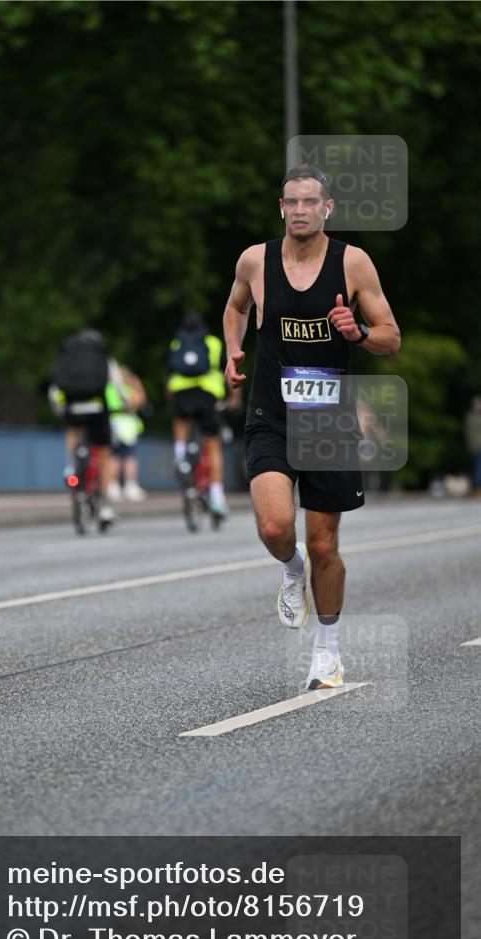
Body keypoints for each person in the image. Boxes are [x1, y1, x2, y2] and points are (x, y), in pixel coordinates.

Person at [223, 164, 400, 690]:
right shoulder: (256, 260)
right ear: (281, 208)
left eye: (310, 201)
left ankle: (327, 652)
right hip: (270, 416)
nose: (300, 210)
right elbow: (235, 307)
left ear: (328, 208)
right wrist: (234, 349)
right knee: (277, 527)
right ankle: (289, 564)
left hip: (327, 420)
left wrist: (359, 331)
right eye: (291, 202)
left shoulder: (354, 263)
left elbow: (392, 337)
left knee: (325, 545)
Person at [49, 328, 125, 527]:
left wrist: (60, 409)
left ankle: (71, 466)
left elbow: (55, 384)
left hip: (73, 405)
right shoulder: (101, 354)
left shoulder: (68, 354)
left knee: (73, 431)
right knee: (104, 452)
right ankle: (106, 505)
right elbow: (115, 382)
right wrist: (124, 402)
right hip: (96, 405)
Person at [167, 312, 229, 518]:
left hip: (181, 393)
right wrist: (231, 398)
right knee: (213, 447)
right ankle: (218, 497)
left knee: (181, 420)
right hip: (206, 395)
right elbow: (225, 371)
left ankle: (180, 456)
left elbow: (171, 372)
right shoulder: (213, 343)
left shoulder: (177, 343)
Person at [107, 365, 148, 502]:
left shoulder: (109, 388)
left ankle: (113, 486)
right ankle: (131, 486)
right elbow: (139, 401)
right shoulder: (128, 388)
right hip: (127, 425)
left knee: (114, 456)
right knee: (129, 457)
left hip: (112, 423)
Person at [463, 396, 481, 497]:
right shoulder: (474, 418)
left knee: (477, 467)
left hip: (475, 446)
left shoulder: (470, 417)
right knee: (478, 468)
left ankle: (476, 488)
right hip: (478, 446)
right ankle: (477, 488)